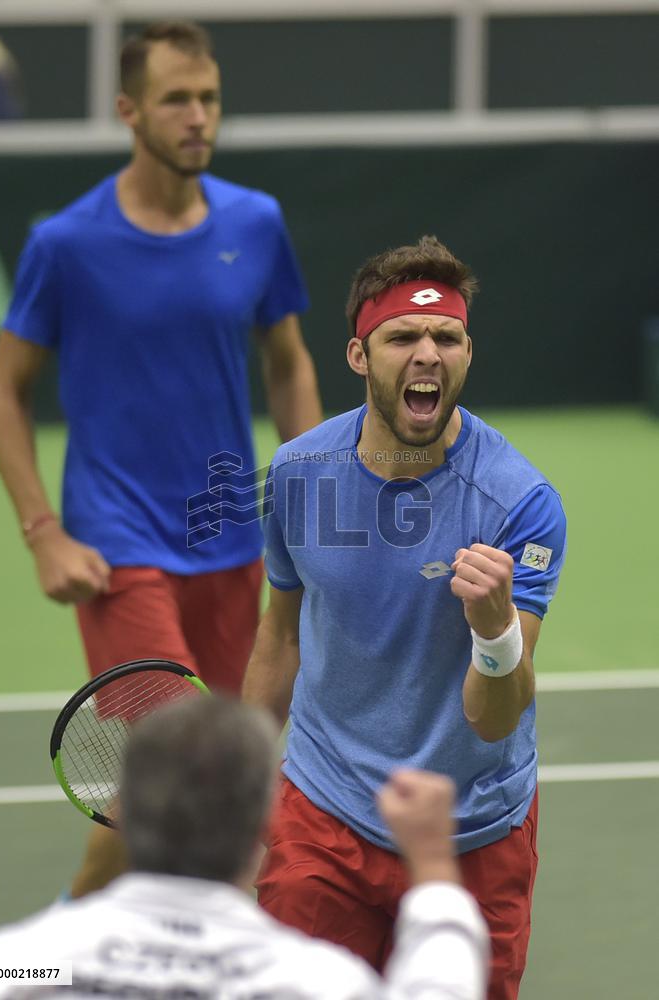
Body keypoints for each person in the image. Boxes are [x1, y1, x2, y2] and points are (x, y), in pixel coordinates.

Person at [0, 20, 322, 899]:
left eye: (209, 98)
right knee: (194, 774)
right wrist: (43, 533)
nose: (198, 116)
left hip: (230, 539)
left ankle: (62, 941)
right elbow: (2, 389)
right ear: (129, 111)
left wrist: (315, 492)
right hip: (117, 547)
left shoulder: (255, 222)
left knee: (205, 784)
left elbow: (287, 362)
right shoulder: (67, 244)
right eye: (176, 99)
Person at [242, 234, 567, 1000]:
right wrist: (240, 778)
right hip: (323, 813)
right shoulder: (297, 474)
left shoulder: (518, 503)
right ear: (358, 355)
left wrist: (493, 629)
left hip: (469, 831)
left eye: (446, 337)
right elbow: (279, 636)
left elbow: (494, 717)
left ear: (467, 353)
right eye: (402, 337)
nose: (427, 354)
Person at [0, 696, 488, 1000]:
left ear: (127, 814)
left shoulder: (16, 965)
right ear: (264, 819)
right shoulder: (314, 982)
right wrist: (433, 866)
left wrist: (63, 920)